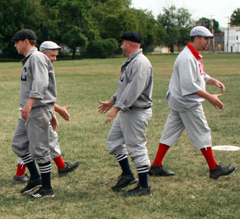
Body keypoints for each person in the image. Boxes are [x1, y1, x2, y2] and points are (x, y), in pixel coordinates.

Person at [149, 26, 236, 179]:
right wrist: (210, 97)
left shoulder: (192, 56)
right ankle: (214, 169)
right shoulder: (187, 58)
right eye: (206, 39)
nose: (208, 42)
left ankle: (156, 165)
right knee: (202, 131)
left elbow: (199, 74)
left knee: (170, 132)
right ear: (196, 38)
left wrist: (212, 81)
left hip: (180, 101)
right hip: (187, 102)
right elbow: (189, 85)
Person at [13, 41, 79, 183]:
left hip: (38, 109)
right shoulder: (37, 60)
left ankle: (45, 173)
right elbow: (39, 92)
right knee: (34, 144)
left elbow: (43, 94)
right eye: (52, 55)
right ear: (43, 54)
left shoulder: (36, 61)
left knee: (35, 143)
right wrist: (56, 110)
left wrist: (53, 111)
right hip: (35, 110)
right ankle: (32, 177)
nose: (54, 59)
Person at [98, 31, 153, 197]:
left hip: (136, 112)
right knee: (114, 141)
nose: (121, 46)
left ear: (129, 43)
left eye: (122, 43)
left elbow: (134, 90)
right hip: (127, 111)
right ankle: (128, 175)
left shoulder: (141, 63)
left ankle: (144, 186)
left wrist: (117, 108)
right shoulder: (132, 62)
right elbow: (125, 88)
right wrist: (113, 101)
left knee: (136, 147)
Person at [11, 30, 57, 199]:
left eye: (17, 42)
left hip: (36, 109)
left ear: (26, 41)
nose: (15, 45)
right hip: (29, 109)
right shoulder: (30, 59)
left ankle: (47, 189)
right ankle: (36, 178)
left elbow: (41, 82)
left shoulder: (36, 57)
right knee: (18, 144)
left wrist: (30, 103)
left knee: (39, 149)